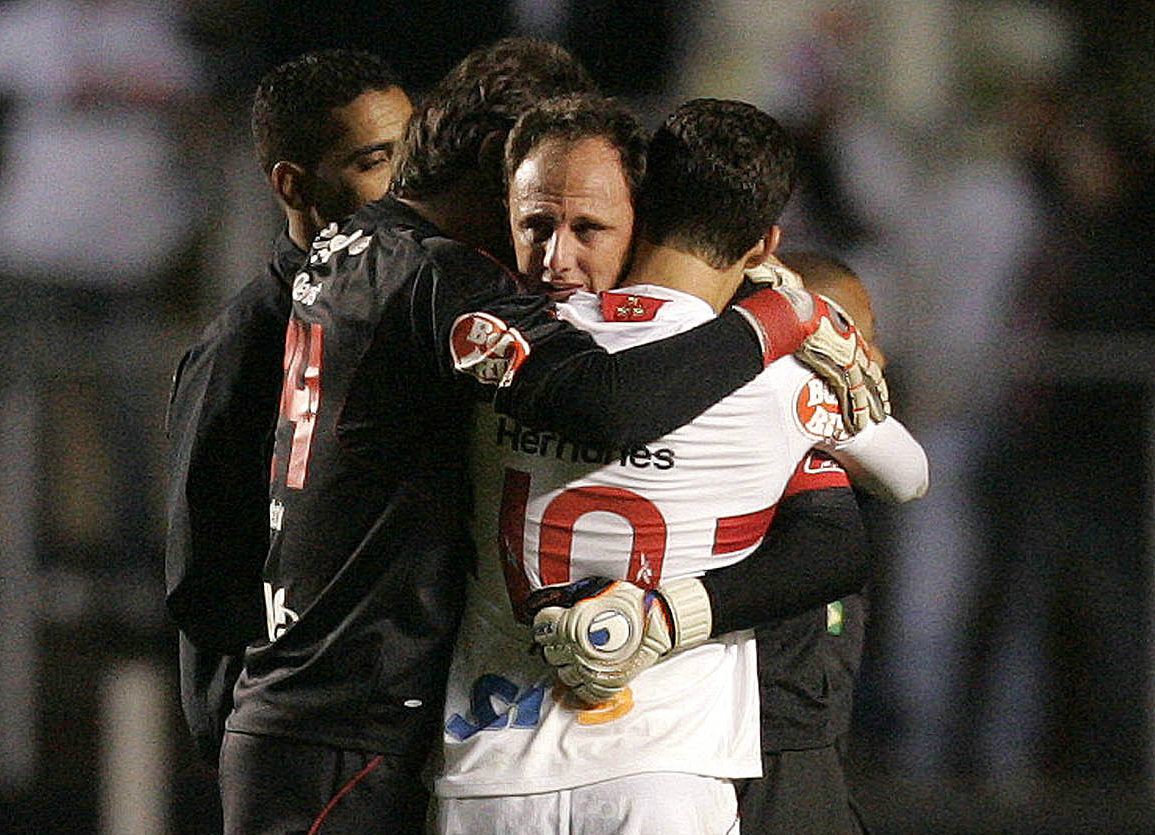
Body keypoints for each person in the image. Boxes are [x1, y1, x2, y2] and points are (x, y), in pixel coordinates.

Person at [220, 39, 872, 835]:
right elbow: (606, 406)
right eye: (537, 214)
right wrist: (778, 317)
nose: (553, 259)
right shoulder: (444, 280)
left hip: (328, 716)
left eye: (587, 223)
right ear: (504, 168)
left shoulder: (346, 249)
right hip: (359, 723)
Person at [435, 96, 922, 834]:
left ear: (641, 211)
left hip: (489, 763)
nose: (558, 256)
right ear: (765, 245)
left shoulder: (513, 337)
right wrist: (801, 318)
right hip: (663, 767)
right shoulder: (781, 374)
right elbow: (907, 474)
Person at [164, 48, 413, 767]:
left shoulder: (403, 312)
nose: (407, 181)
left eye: (412, 151)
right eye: (375, 160)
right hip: (299, 740)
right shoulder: (245, 344)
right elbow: (202, 578)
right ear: (293, 184)